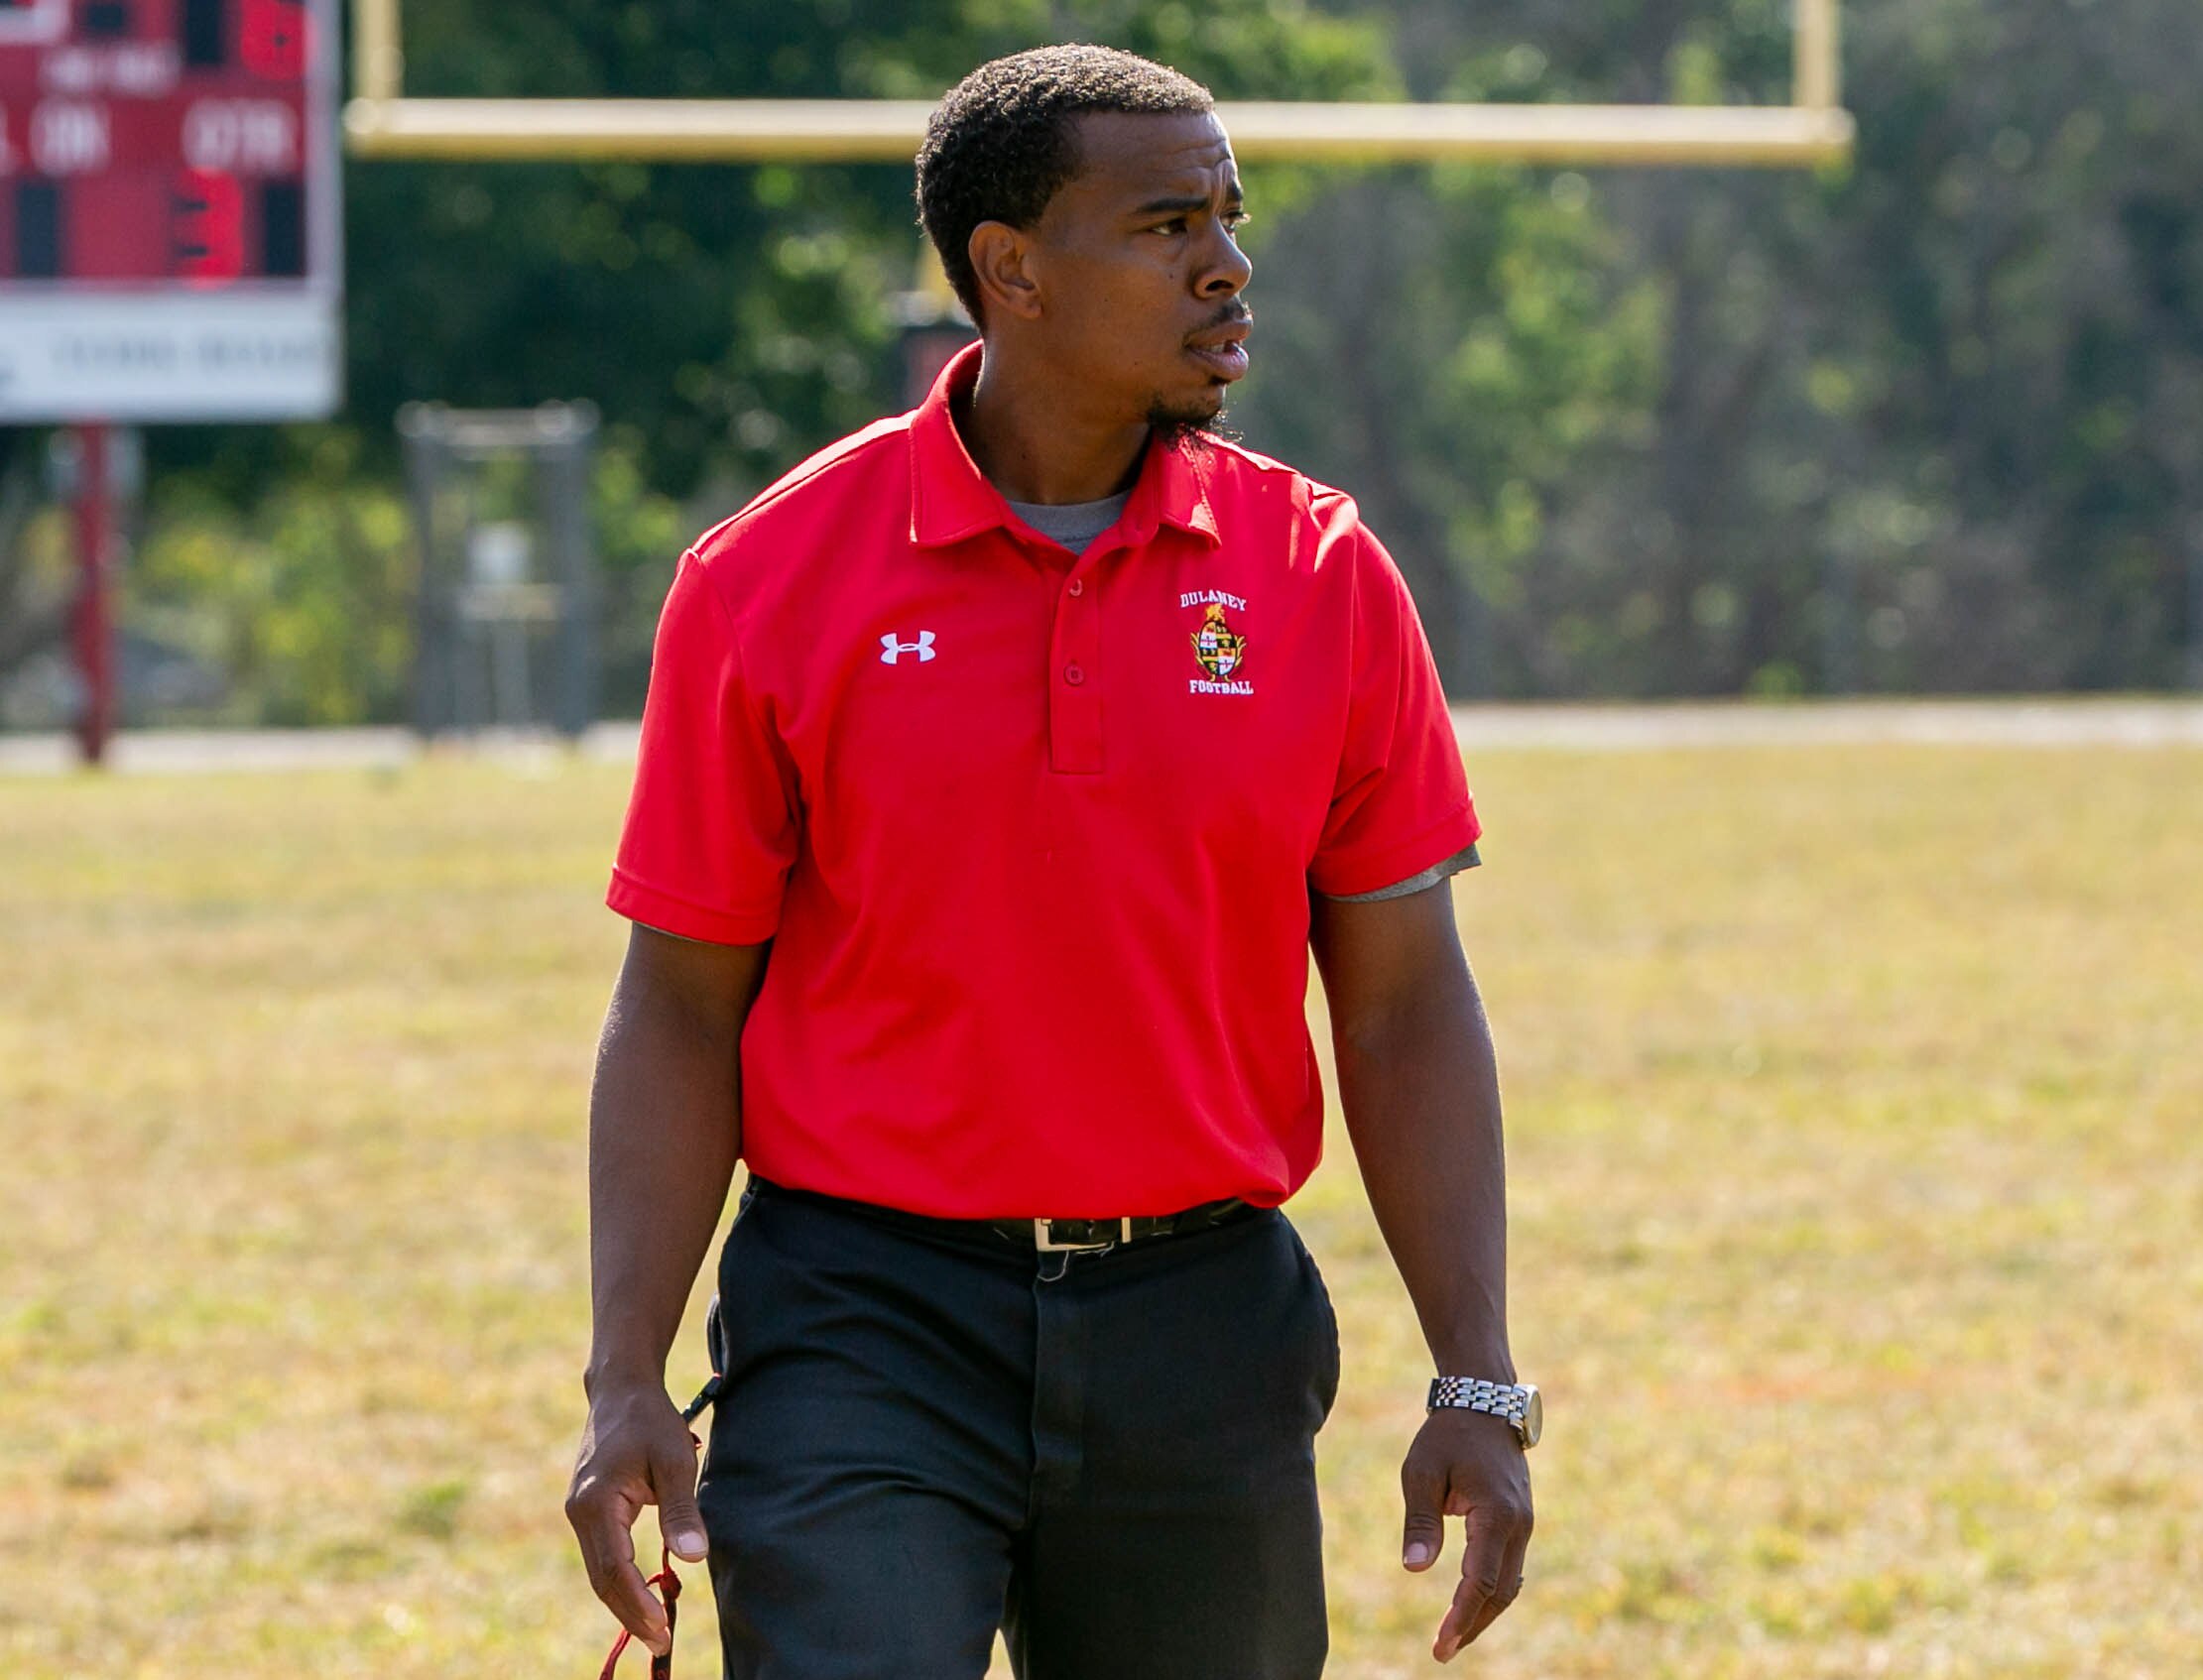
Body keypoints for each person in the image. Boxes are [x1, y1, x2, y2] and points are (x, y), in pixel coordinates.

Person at [565, 43, 1535, 1679]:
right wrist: (623, 1380)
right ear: (1008, 270)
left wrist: (1477, 1376)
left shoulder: (1324, 575)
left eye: (1227, 215)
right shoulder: (770, 577)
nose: (1225, 263)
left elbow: (1399, 1009)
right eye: (1165, 224)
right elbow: (675, 1007)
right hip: (861, 1316)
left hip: (1203, 1321)